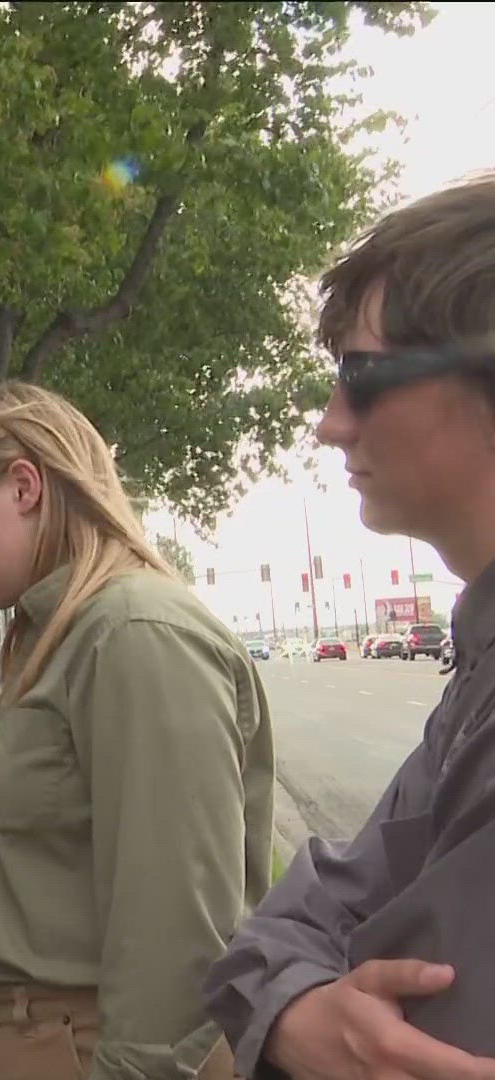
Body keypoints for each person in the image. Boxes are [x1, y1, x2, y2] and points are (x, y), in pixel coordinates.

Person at [204, 173, 495, 1075]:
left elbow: (422, 1015)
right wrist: (296, 1010)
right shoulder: (478, 669)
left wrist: (301, 1004)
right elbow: (300, 914)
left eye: (361, 378)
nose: (332, 425)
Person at [0, 382, 272, 1080]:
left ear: (23, 486)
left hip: (92, 1046)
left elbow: (177, 928)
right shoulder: (65, 638)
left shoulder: (134, 634)